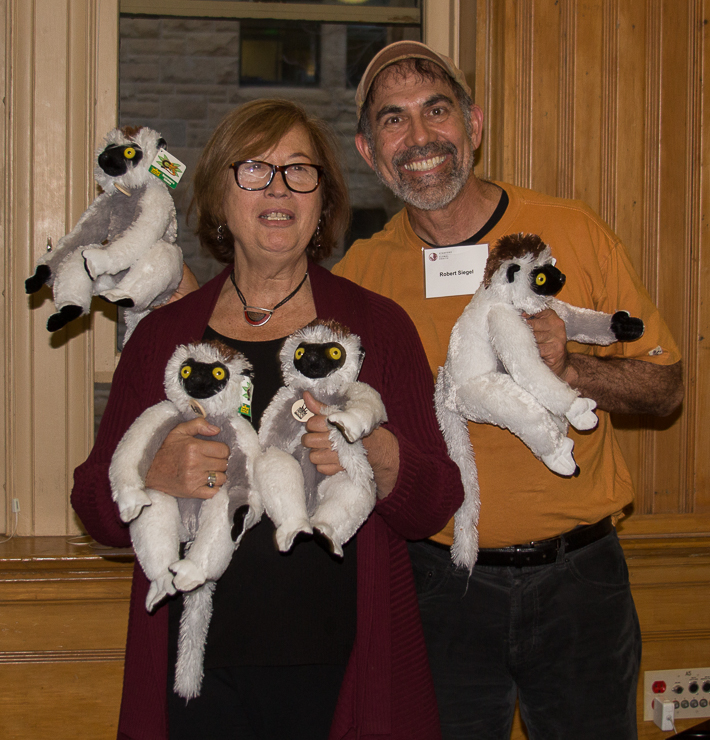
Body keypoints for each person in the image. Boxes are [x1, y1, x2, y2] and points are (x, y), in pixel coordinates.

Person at [71, 99, 464, 740]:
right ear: (219, 197)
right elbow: (94, 505)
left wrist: (385, 458)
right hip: (194, 677)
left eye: (299, 170)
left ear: (322, 201)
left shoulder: (378, 326)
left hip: (340, 672)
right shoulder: (162, 338)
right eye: (254, 169)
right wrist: (150, 474)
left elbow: (437, 502)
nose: (278, 188)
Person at [332, 41, 684, 740]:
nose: (420, 137)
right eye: (394, 119)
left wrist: (573, 367)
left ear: (474, 124)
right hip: (438, 585)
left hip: (581, 581)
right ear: (370, 151)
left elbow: (665, 389)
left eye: (437, 110)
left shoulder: (573, 230)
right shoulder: (362, 277)